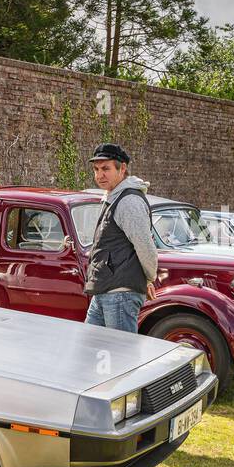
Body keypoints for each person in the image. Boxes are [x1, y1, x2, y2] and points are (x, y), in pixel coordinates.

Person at [83, 143, 157, 334]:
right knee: (89, 350)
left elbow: (145, 246)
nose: (100, 175)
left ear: (122, 168)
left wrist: (148, 279)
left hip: (119, 295)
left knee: (122, 357)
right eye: (96, 169)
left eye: (106, 169)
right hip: (105, 290)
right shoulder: (113, 197)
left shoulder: (128, 201)